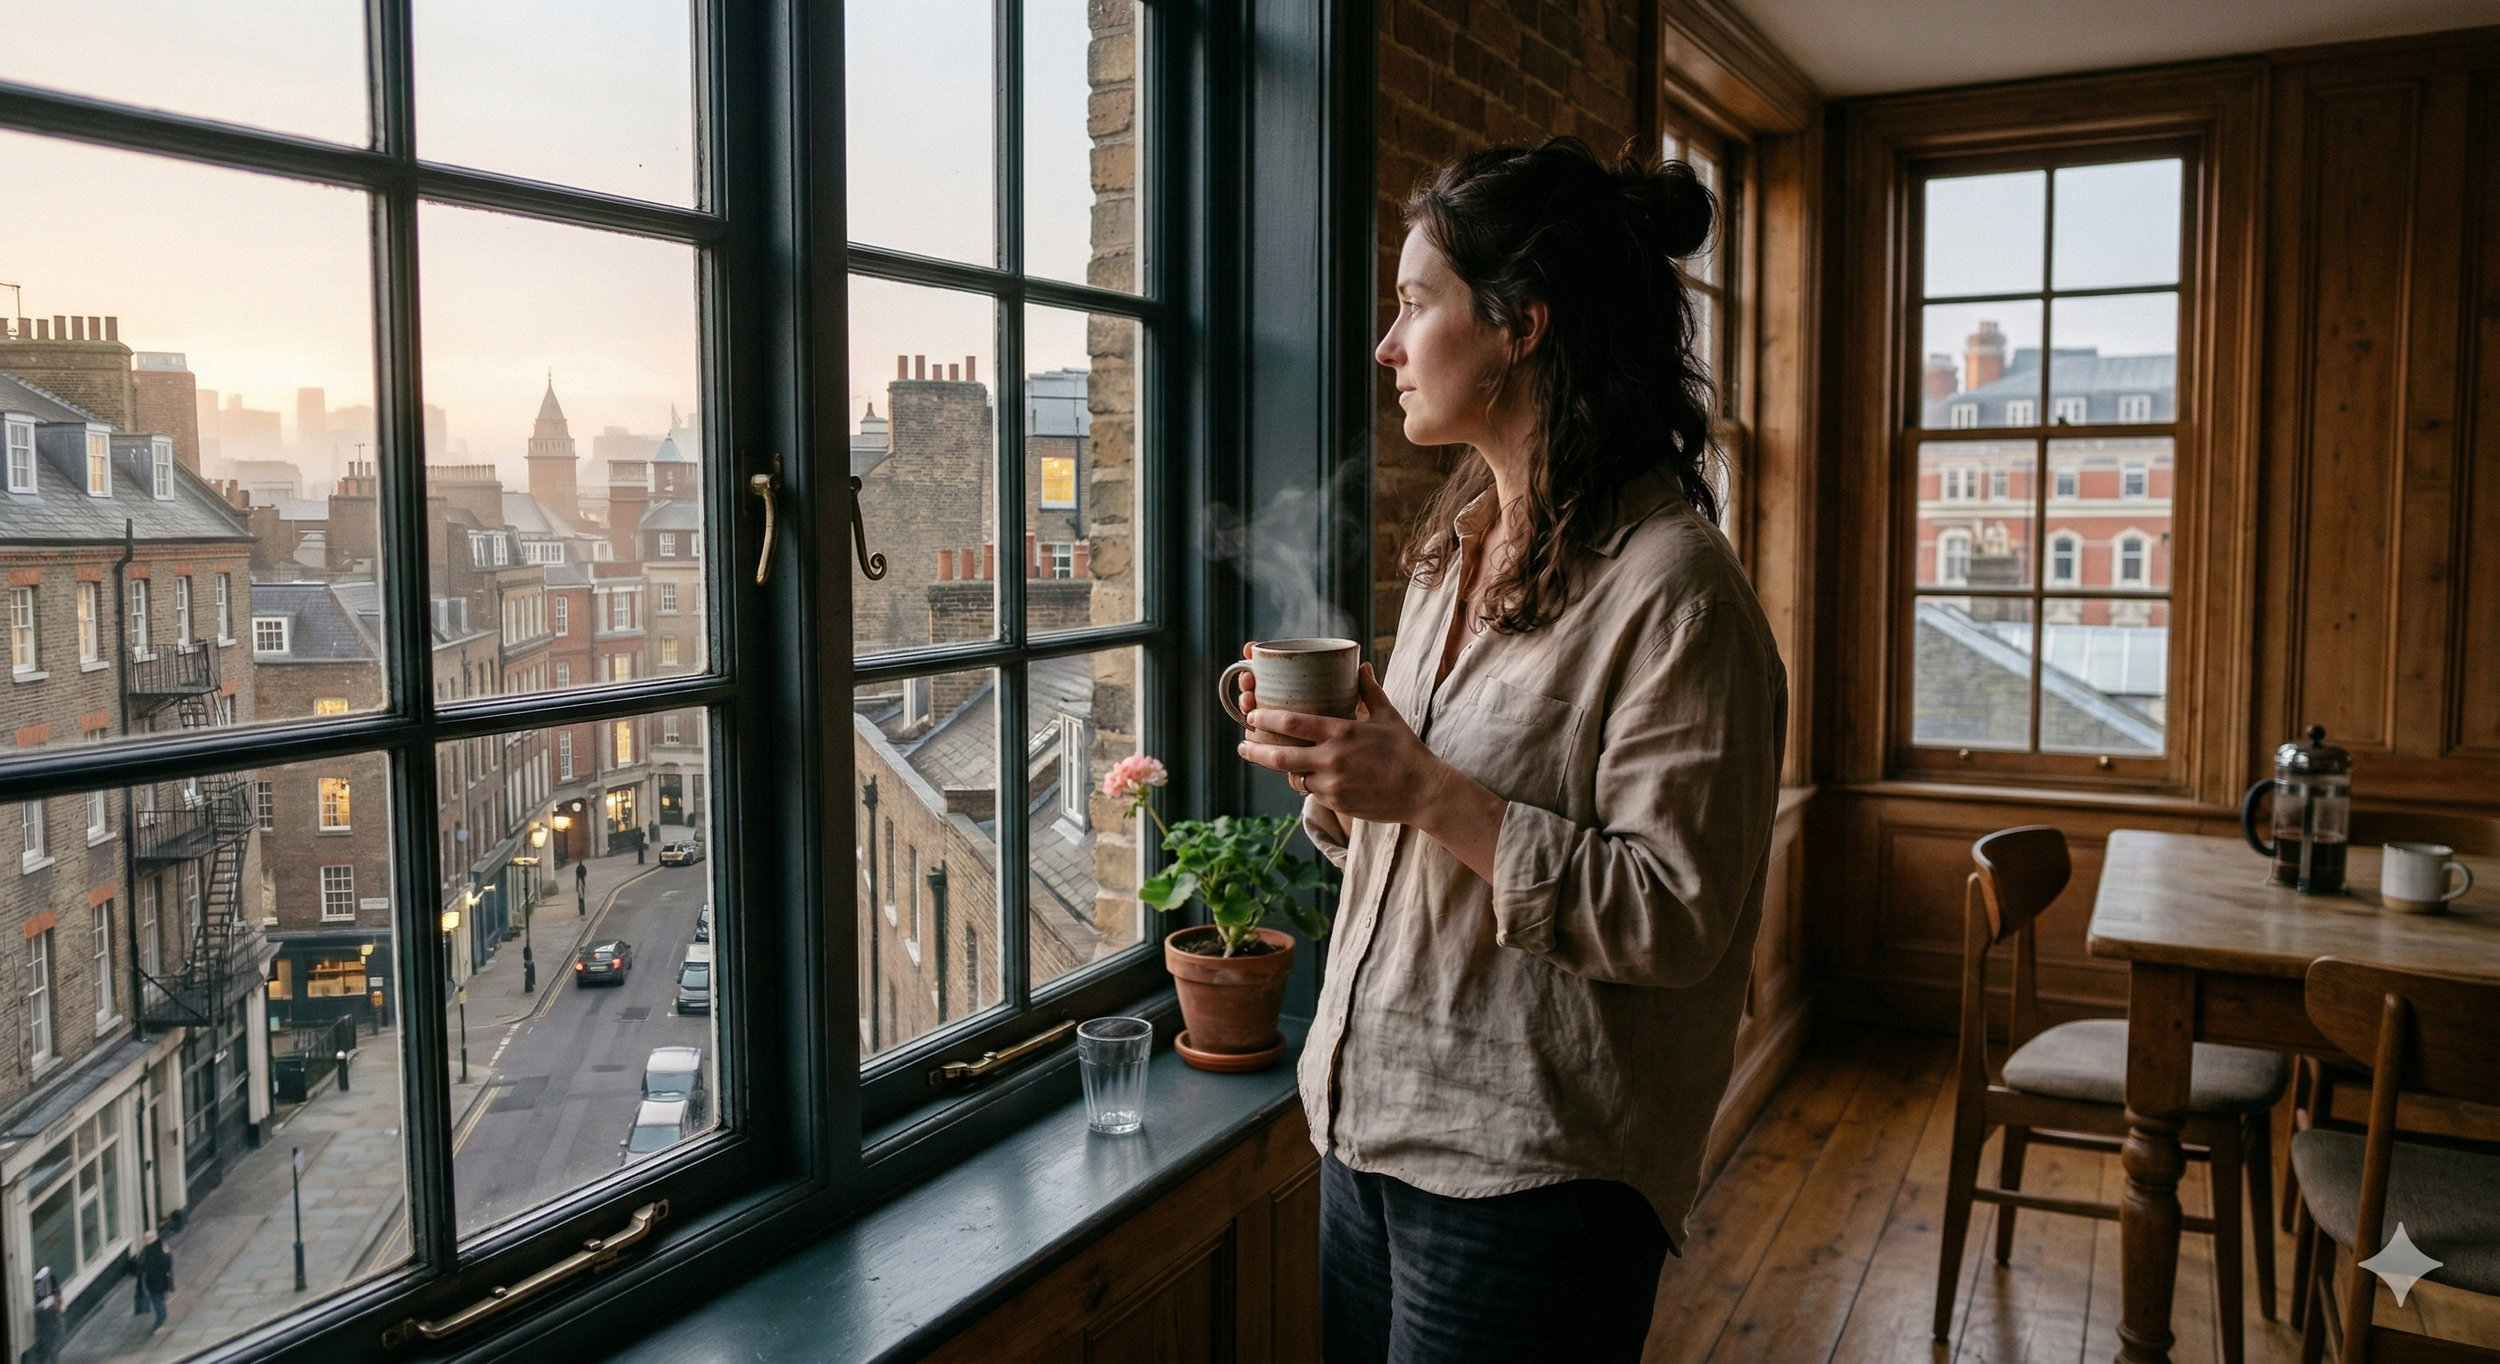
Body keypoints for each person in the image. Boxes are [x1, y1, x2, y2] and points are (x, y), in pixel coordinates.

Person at [1237, 138, 1785, 1363]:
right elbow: (1423, 838)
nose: (1386, 346)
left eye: (1414, 305)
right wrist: (1349, 781)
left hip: (1533, 1176)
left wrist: (1428, 791)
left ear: (1521, 325)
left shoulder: (1677, 594)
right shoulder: (1458, 548)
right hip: (1366, 1125)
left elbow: (1677, 914)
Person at [138, 1231, 174, 1333]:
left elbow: (146, 1266)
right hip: (162, 1279)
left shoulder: (149, 1251)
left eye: (145, 1239)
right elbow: (168, 1260)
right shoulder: (162, 1246)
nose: (144, 1241)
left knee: (156, 1299)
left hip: (154, 1280)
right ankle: (162, 1315)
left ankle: (160, 1320)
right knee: (160, 1298)